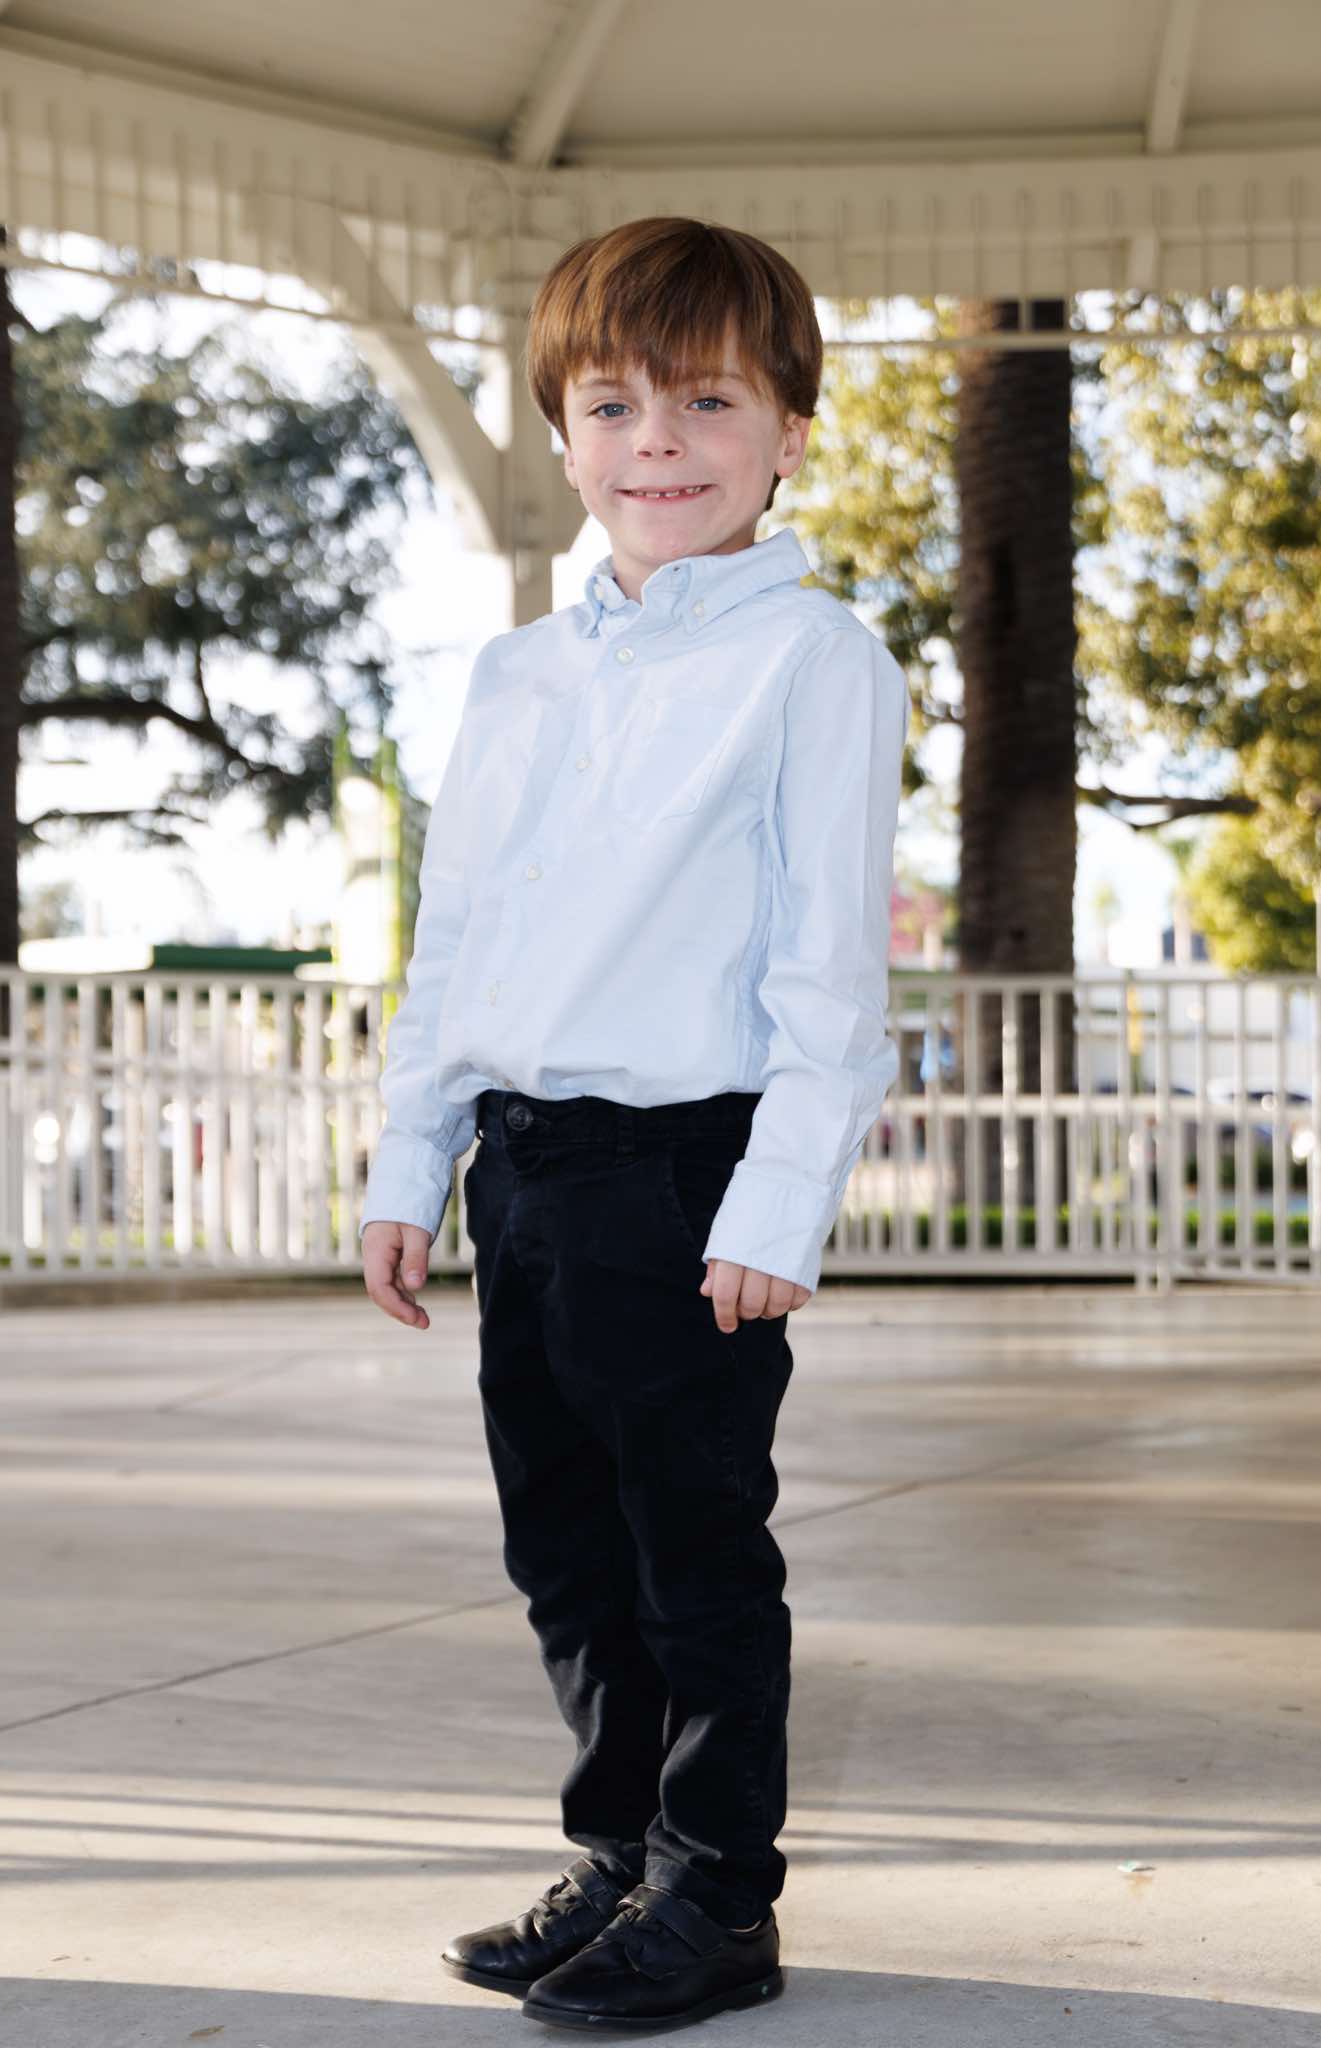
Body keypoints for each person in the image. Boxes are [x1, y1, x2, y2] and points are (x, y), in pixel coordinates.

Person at [360, 214, 910, 2032]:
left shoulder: (811, 660)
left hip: (685, 1174)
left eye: (706, 401)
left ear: (789, 431)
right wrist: (411, 1162)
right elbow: (456, 939)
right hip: (522, 1168)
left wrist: (775, 1206)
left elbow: (829, 973)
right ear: (561, 435)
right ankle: (621, 1861)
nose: (656, 441)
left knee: (692, 1554)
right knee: (566, 1553)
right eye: (610, 405)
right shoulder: (516, 675)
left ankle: (718, 1897)